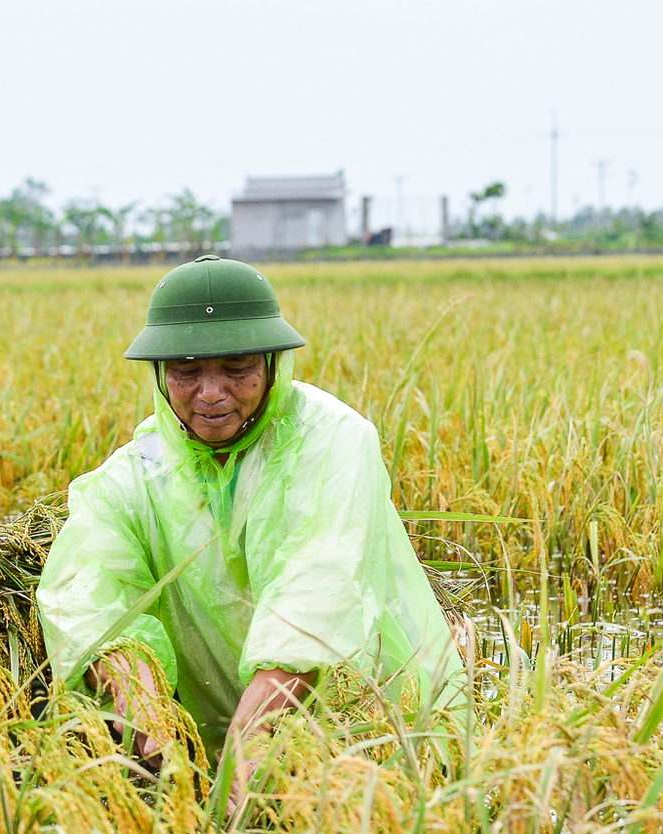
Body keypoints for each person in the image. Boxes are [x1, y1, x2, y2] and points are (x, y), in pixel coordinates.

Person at [36, 256, 461, 797]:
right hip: (207, 746)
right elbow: (86, 592)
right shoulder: (137, 473)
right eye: (187, 372)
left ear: (272, 365)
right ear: (161, 374)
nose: (210, 393)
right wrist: (142, 704)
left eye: (236, 369)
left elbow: (318, 594)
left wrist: (251, 731)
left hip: (363, 734)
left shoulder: (332, 442)